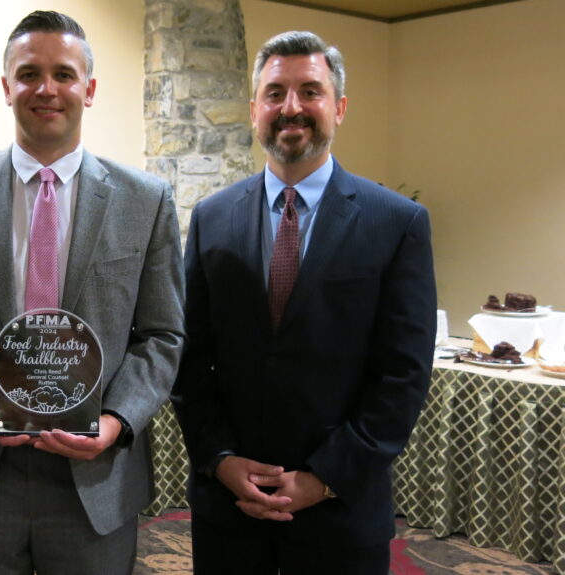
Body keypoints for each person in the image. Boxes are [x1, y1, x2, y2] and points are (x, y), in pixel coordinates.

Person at [0, 10, 184, 575]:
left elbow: (163, 334)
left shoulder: (145, 200)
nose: (46, 89)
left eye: (64, 74)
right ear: (7, 86)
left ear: (89, 89)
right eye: (29, 74)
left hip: (93, 479)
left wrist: (117, 421)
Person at [171, 31, 437, 575]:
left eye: (309, 91)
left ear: (338, 107)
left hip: (340, 511)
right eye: (275, 94)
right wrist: (220, 461)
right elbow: (189, 359)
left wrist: (323, 478)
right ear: (254, 111)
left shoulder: (396, 222)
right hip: (230, 510)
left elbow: (403, 375)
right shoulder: (212, 218)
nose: (291, 107)